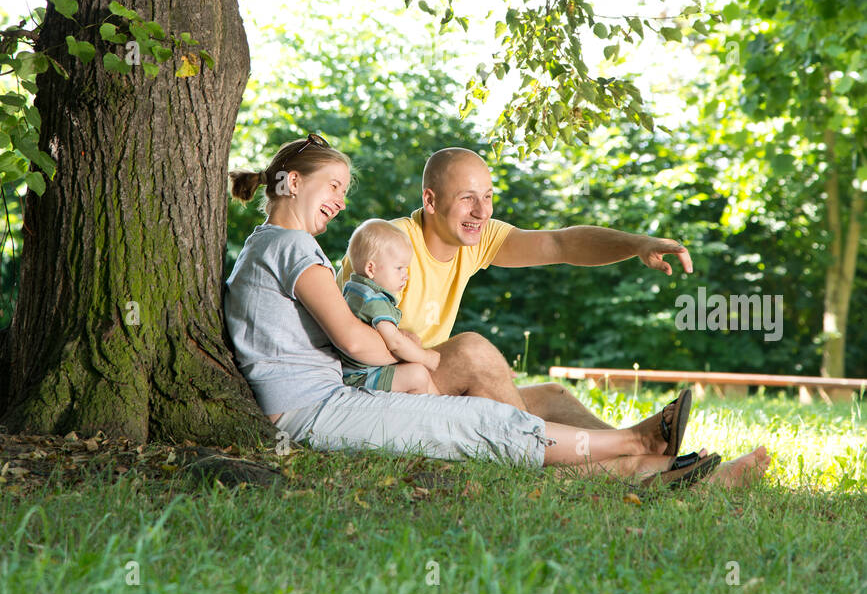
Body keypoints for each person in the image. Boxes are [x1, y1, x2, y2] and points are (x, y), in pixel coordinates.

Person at [224, 132, 769, 488]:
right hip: (380, 383)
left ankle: (658, 462)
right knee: (475, 357)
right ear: (431, 201)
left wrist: (636, 244)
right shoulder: (388, 246)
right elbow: (354, 339)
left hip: (405, 379)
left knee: (551, 396)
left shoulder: (477, 238)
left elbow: (560, 243)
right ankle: (627, 468)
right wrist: (422, 360)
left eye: (488, 196)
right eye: (468, 198)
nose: (481, 210)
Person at [337, 220, 439, 395]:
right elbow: (395, 342)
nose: (406, 276)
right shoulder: (373, 300)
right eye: (399, 268)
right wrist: (426, 357)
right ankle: (428, 409)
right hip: (360, 377)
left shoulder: (355, 290)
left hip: (360, 370)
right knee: (418, 374)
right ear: (371, 269)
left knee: (418, 370)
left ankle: (443, 404)